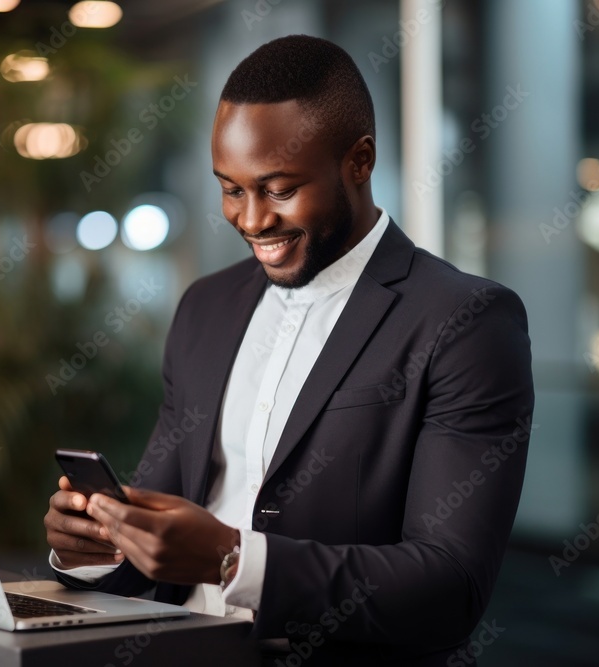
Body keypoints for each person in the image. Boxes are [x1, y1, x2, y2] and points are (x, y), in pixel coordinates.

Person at [44, 34, 534, 665]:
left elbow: (449, 588)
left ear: (359, 161)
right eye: (230, 188)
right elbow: (154, 542)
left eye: (277, 190)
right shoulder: (205, 308)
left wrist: (233, 559)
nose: (251, 220)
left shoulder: (464, 320)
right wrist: (98, 545)